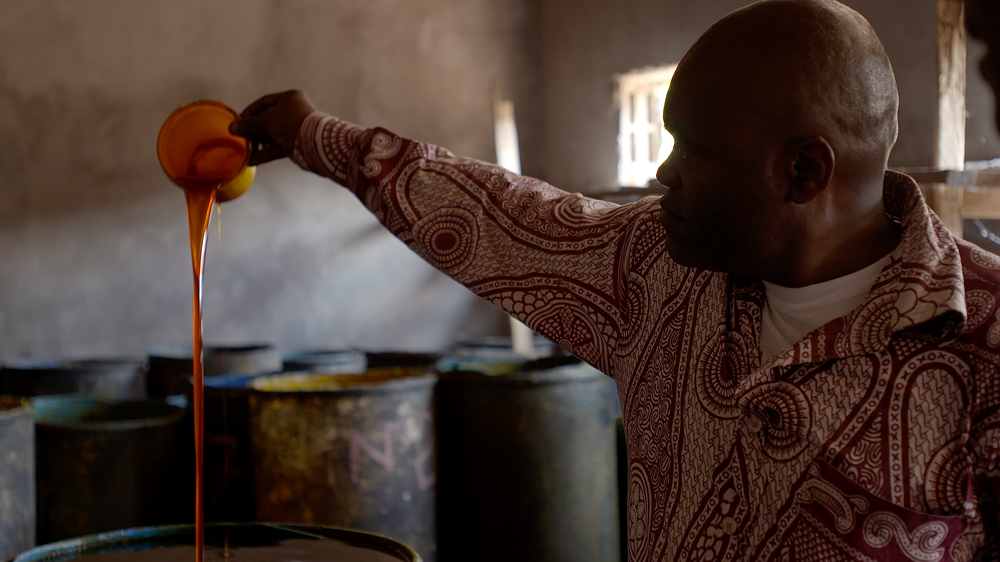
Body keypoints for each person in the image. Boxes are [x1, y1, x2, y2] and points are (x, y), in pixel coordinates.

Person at [231, 0, 1000, 559]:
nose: (663, 173)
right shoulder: (653, 274)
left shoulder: (982, 346)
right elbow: (500, 217)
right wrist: (315, 135)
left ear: (803, 171)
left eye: (693, 149)